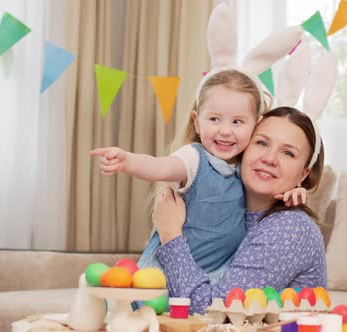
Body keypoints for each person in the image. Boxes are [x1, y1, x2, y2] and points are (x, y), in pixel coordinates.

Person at [89, 70, 307, 283]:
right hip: (164, 271)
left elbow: (265, 199)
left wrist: (291, 191)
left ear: (255, 125)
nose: (225, 131)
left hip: (212, 276)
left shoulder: (247, 168)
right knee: (140, 305)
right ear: (197, 122)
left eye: (237, 122)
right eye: (215, 119)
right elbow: (161, 167)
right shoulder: (194, 158)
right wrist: (128, 161)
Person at [152, 107, 327, 314]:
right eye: (262, 143)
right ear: (243, 148)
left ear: (303, 174)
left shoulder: (289, 227)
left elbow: (212, 313)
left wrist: (171, 234)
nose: (270, 158)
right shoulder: (228, 211)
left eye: (288, 153)